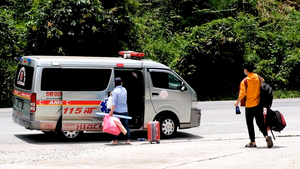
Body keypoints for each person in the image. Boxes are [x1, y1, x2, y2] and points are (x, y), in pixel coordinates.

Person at [234, 62, 273, 148]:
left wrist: (237, 103)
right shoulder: (258, 77)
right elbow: (263, 82)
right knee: (260, 123)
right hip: (259, 104)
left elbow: (242, 93)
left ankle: (253, 142)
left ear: (246, 70)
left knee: (250, 123)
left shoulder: (245, 81)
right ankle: (266, 136)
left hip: (249, 105)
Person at [109, 77, 131, 144]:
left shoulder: (115, 91)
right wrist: (113, 94)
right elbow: (121, 97)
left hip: (117, 111)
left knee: (116, 125)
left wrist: (111, 111)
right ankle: (128, 140)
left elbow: (114, 102)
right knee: (126, 126)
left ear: (114, 83)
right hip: (124, 110)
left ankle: (115, 140)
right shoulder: (124, 89)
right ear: (122, 83)